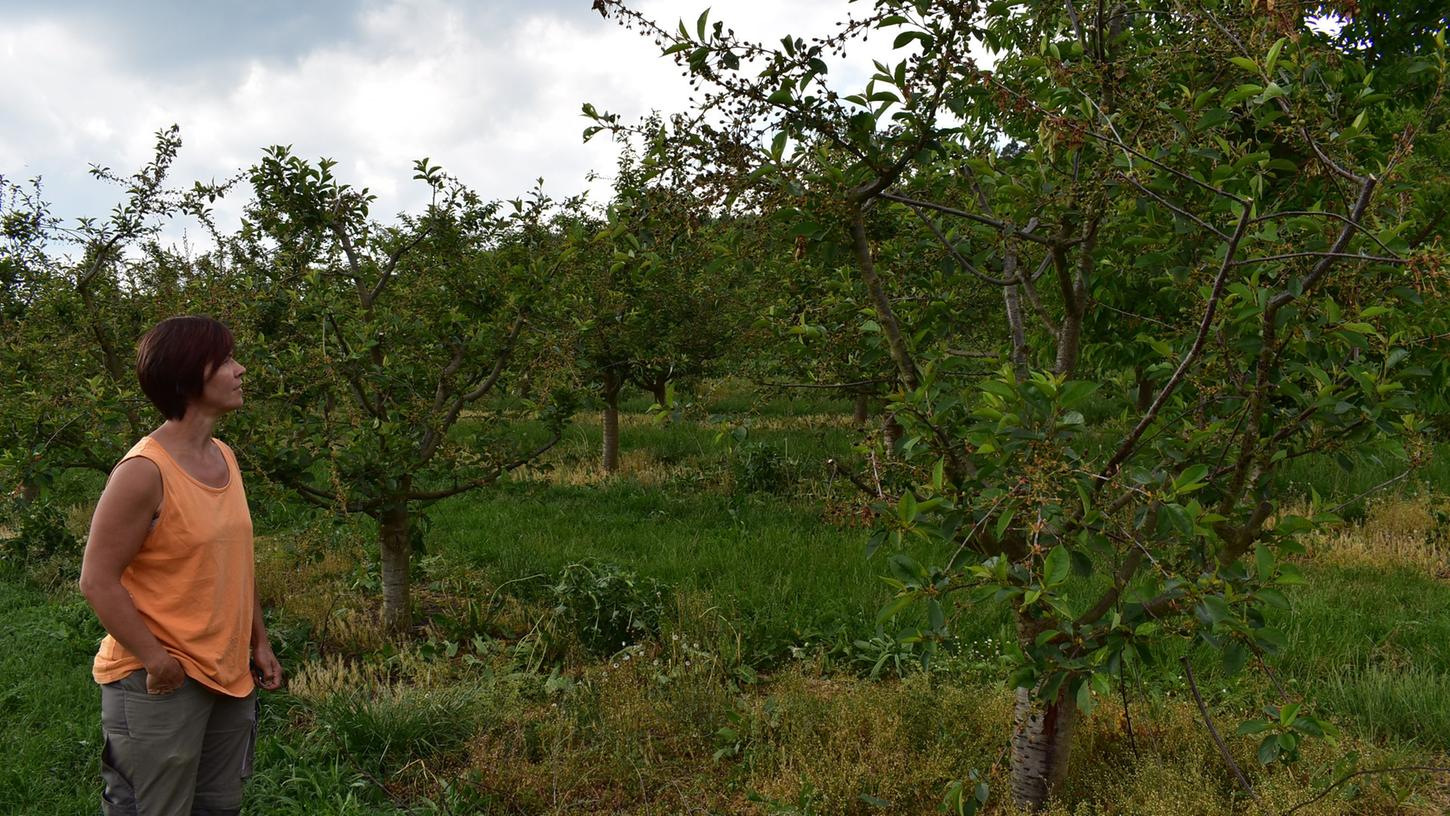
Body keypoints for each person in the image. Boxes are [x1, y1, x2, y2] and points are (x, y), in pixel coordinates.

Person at [79, 315, 283, 816]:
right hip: (162, 680)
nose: (241, 370)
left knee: (218, 805)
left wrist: (258, 641)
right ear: (190, 377)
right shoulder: (144, 472)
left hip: (229, 673)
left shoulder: (224, 457)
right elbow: (97, 581)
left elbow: (234, 563)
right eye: (227, 361)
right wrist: (156, 659)